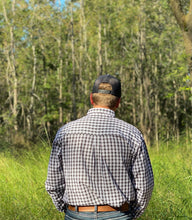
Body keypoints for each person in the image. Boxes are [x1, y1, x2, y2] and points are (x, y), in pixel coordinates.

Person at [45, 74, 154, 220]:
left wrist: (66, 208)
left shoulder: (65, 132)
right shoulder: (131, 133)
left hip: (76, 214)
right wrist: (132, 213)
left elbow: (53, 183)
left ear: (91, 98)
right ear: (118, 102)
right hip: (119, 214)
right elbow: (145, 184)